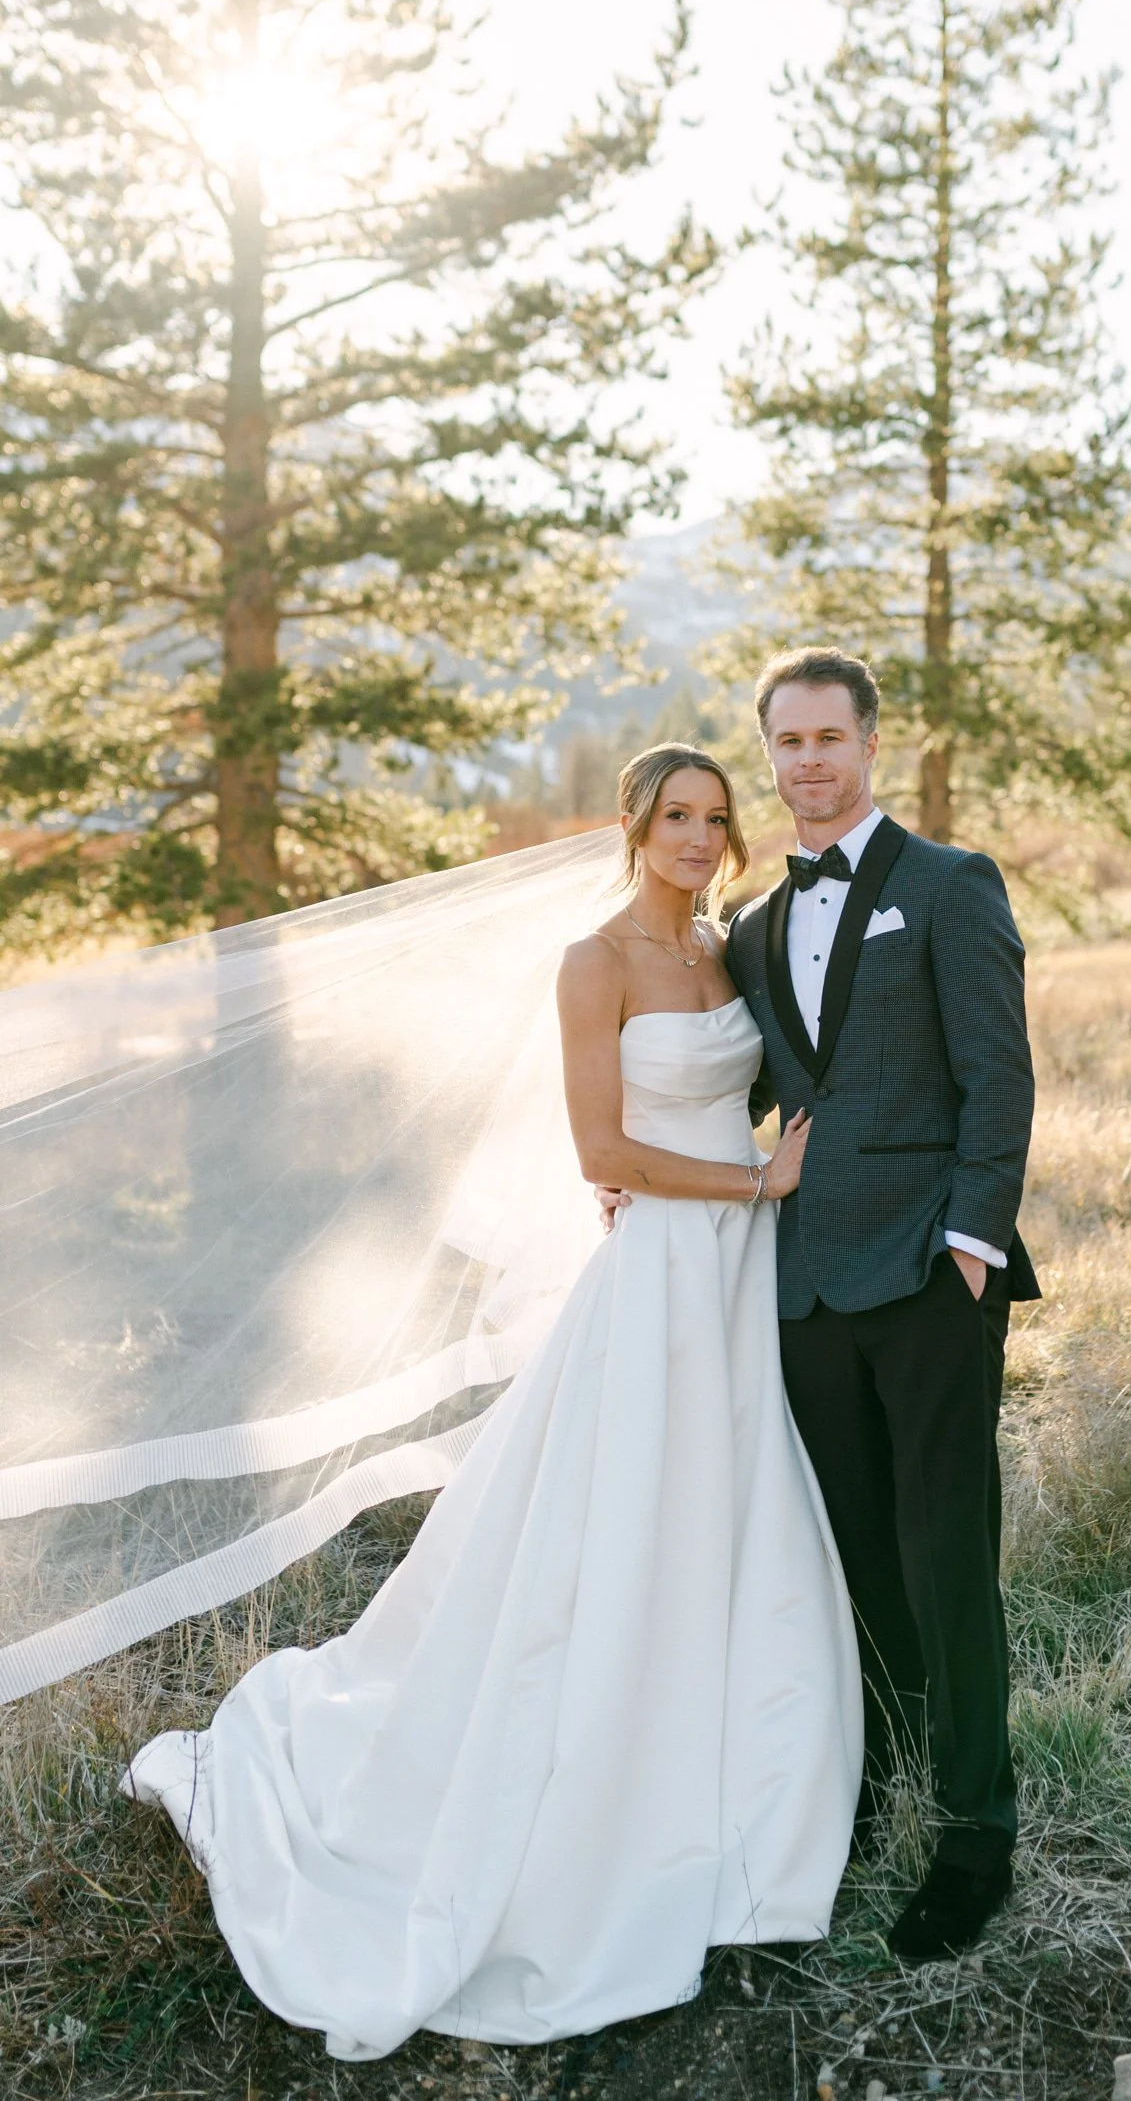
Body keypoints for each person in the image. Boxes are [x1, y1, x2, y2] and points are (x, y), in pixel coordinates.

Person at [123, 744, 861, 2062]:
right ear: (632, 827)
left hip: (735, 1279)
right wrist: (756, 1183)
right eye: (675, 817)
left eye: (715, 818)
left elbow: (754, 1071)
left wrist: (766, 1176)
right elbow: (602, 1151)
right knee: (625, 1526)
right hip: (660, 1276)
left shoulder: (720, 949)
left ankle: (751, 1802)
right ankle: (594, 1792)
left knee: (739, 1511)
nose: (698, 836)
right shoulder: (596, 961)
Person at [727, 647, 1039, 1961]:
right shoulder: (747, 929)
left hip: (924, 1274)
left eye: (829, 738)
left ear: (870, 744)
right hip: (800, 1289)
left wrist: (967, 1250)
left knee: (947, 1556)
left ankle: (976, 1833)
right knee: (851, 1560)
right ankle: (887, 1775)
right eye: (787, 741)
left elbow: (1001, 1079)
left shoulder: (949, 885)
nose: (808, 760)